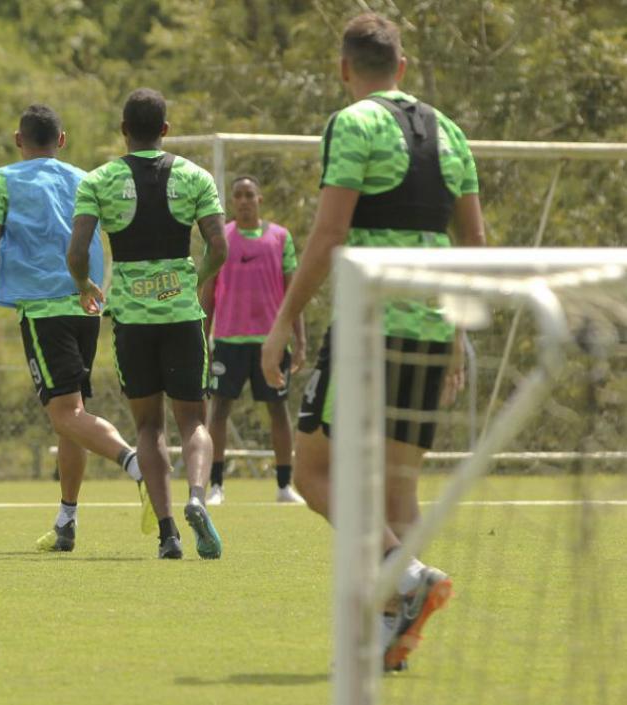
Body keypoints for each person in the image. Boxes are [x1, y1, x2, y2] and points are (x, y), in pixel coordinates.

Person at [260, 13, 485, 670]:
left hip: (371, 324)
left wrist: (282, 323)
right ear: (404, 68)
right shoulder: (449, 132)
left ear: (344, 69)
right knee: (397, 485)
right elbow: (474, 246)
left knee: (313, 470)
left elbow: (329, 237)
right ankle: (395, 634)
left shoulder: (352, 123)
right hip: (432, 328)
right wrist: (456, 338)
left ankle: (406, 576)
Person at [0, 103, 155, 552]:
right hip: (87, 305)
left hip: (43, 308)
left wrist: (14, 277)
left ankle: (137, 467)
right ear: (62, 139)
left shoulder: (2, 180)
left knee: (65, 414)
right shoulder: (85, 178)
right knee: (71, 418)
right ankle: (66, 521)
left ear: (19, 140)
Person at [68, 88, 228, 560]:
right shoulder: (195, 176)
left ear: (123, 130)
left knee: (148, 428)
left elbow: (77, 252)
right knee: (194, 420)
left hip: (132, 321)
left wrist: (85, 286)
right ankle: (198, 497)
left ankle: (168, 534)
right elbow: (219, 247)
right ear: (165, 129)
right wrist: (192, 281)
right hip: (181, 314)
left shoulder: (99, 180)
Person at [201, 175, 306, 505]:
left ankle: (284, 486)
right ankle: (216, 485)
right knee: (218, 411)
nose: (244, 200)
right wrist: (202, 338)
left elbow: (294, 293)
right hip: (229, 341)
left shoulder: (280, 237)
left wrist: (299, 340)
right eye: (238, 196)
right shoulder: (221, 239)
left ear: (259, 198)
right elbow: (207, 293)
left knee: (278, 410)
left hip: (270, 344)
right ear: (232, 202)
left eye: (249, 194)